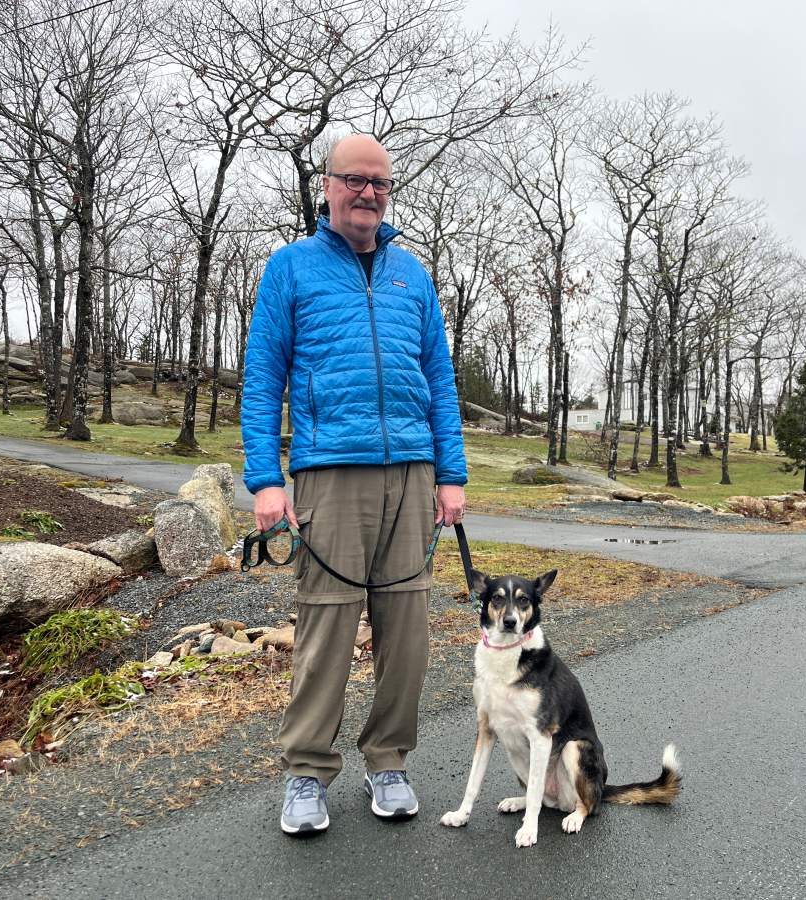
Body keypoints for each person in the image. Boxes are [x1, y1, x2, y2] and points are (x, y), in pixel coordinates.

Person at [242, 133, 467, 835]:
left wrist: (451, 474)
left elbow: (439, 380)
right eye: (354, 180)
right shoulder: (291, 269)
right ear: (328, 185)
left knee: (408, 629)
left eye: (379, 182)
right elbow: (261, 380)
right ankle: (307, 773)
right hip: (328, 472)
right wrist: (265, 481)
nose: (367, 192)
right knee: (326, 627)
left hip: (412, 471)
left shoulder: (413, 275)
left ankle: (389, 760)